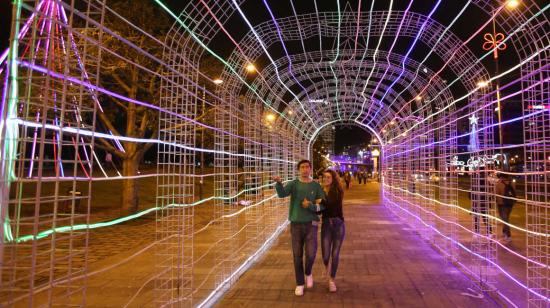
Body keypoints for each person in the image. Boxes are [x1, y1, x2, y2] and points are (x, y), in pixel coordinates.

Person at [273, 159, 325, 296]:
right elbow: (282, 194)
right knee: (297, 256)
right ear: (299, 170)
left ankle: (308, 272)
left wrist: (311, 206)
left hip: (311, 224)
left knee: (311, 253)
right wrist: (278, 183)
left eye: (307, 167)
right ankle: (300, 283)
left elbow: (323, 204)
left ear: (310, 169)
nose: (305, 169)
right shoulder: (294, 184)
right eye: (302, 167)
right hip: (296, 224)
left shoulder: (316, 186)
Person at [318, 169, 345, 292]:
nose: (326, 179)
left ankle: (332, 280)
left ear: (333, 179)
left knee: (335, 254)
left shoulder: (338, 191)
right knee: (325, 255)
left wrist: (320, 201)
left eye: (328, 177)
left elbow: (332, 205)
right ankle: (327, 268)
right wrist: (311, 206)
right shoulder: (320, 192)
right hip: (326, 225)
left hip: (338, 225)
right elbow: (320, 210)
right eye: (324, 177)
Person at [495, 173, 516, 243]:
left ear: (501, 177)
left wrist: (497, 202)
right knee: (506, 218)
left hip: (502, 204)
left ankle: (508, 235)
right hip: (510, 204)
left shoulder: (499, 184)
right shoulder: (511, 183)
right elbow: (514, 192)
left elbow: (496, 194)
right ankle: (504, 232)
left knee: (505, 220)